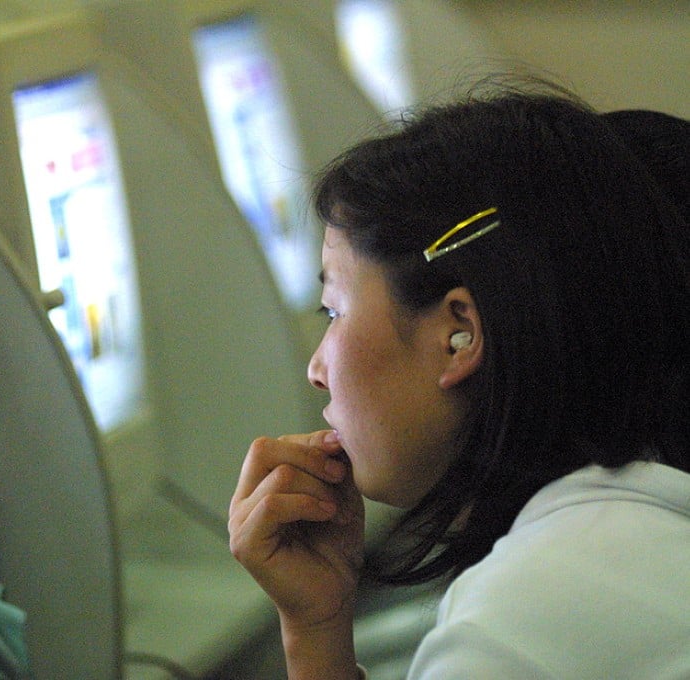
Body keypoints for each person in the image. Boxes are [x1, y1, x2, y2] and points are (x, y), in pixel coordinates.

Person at [228, 80, 690, 679]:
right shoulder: (628, 512)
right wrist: (316, 631)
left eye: (334, 310)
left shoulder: (516, 626)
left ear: (459, 334)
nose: (316, 371)